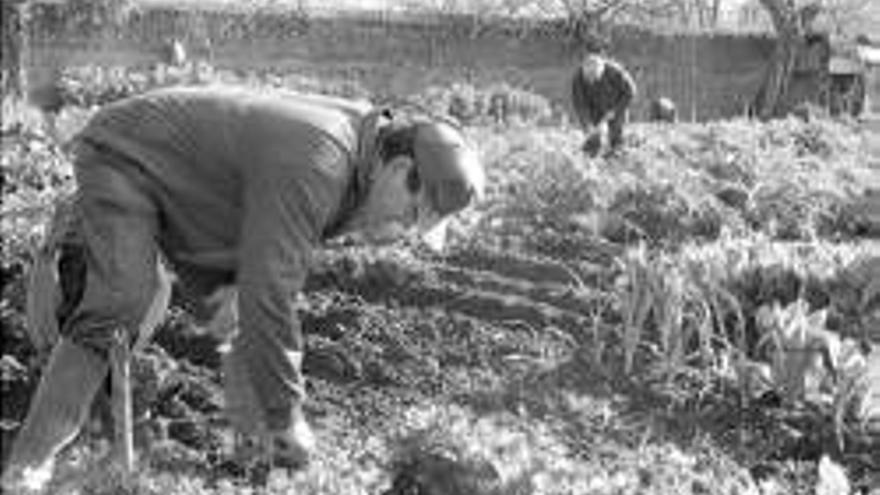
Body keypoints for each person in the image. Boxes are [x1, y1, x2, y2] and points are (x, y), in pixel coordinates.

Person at [1, 85, 485, 492]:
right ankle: (28, 467)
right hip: (128, 155)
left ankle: (254, 460)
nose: (402, 230)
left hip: (200, 190)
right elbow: (268, 294)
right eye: (410, 215)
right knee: (124, 299)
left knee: (231, 310)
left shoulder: (359, 167)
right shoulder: (322, 162)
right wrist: (287, 415)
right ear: (401, 174)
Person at [570, 53, 636, 156]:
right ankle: (590, 157)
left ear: (601, 71)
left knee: (616, 137)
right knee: (593, 137)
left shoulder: (615, 72)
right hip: (594, 108)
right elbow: (580, 103)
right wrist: (587, 123)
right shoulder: (578, 78)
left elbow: (630, 92)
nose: (591, 80)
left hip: (616, 105)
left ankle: (617, 155)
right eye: (588, 78)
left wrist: (615, 110)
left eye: (594, 77)